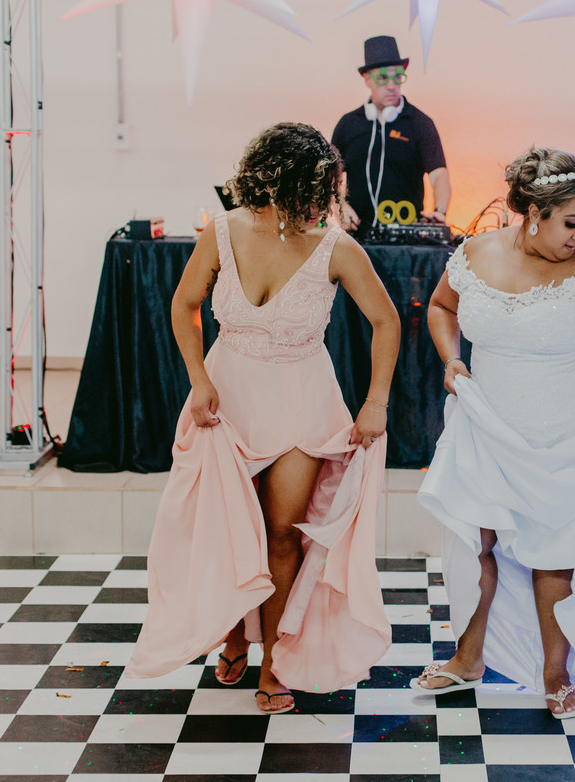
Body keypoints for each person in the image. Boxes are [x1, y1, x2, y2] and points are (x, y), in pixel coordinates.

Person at [125, 123, 402, 714]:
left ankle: (273, 662)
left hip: (301, 399)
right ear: (276, 182)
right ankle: (230, 634)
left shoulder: (336, 247)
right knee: (228, 528)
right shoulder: (223, 232)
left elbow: (386, 321)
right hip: (227, 397)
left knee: (282, 533)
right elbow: (184, 304)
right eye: (311, 188)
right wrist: (198, 379)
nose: (318, 203)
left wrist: (375, 400)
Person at [411, 148, 575, 718]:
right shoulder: (474, 253)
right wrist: (450, 359)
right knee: (478, 545)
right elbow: (440, 308)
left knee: (557, 554)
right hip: (486, 422)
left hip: (565, 429)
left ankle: (556, 672)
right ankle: (468, 657)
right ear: (531, 212)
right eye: (570, 223)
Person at [331, 36, 450, 238]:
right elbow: (328, 178)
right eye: (383, 78)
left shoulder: (420, 123)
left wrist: (439, 211)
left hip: (406, 242)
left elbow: (439, 175)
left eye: (398, 77)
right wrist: (338, 205)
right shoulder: (348, 125)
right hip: (357, 238)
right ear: (367, 79)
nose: (392, 85)